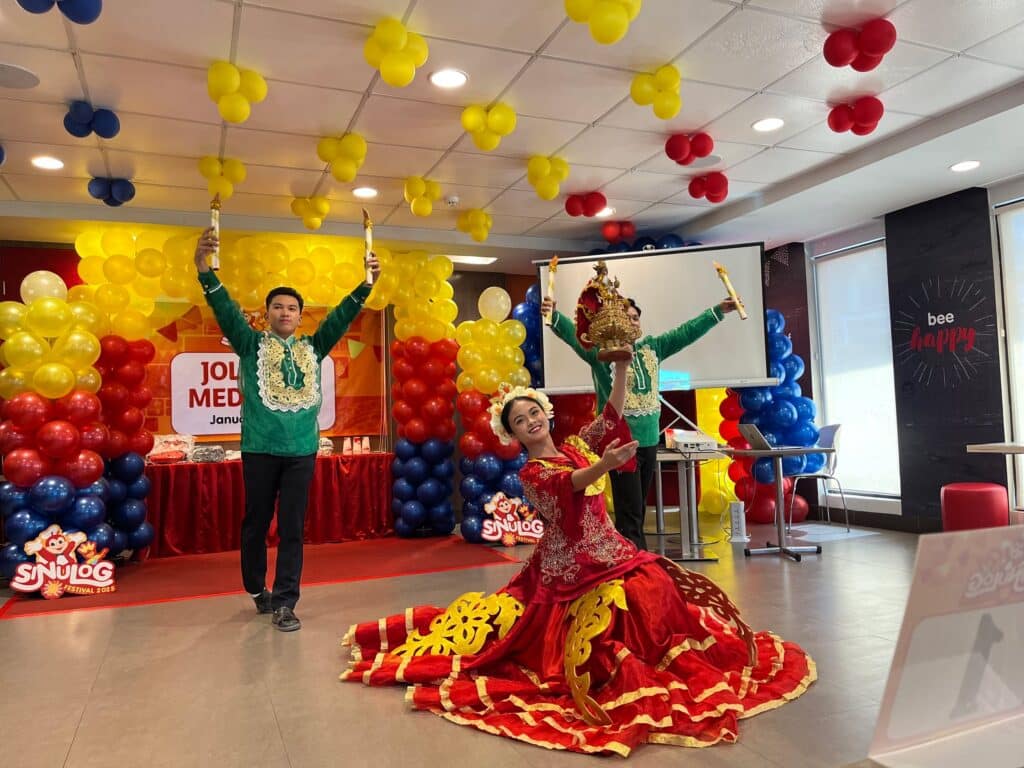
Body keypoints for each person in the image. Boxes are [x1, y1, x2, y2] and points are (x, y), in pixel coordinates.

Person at [340, 351, 815, 756]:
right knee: (613, 625)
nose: (531, 422)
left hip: (614, 551)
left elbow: (609, 416)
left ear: (545, 414)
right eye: (520, 421)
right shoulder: (532, 473)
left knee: (657, 590)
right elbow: (568, 487)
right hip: (574, 569)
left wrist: (624, 369)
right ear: (514, 436)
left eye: (534, 413)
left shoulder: (573, 444)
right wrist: (604, 466)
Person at [194, 227, 380, 632]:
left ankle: (285, 602)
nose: (284, 313)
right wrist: (203, 269)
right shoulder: (250, 343)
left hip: (301, 451)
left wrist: (366, 286)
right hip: (260, 448)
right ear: (267, 314)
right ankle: (256, 588)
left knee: (293, 528)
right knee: (256, 522)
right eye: (277, 307)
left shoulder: (313, 346)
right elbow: (225, 309)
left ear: (299, 316)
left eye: (291, 308)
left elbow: (340, 317)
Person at [542, 294, 738, 550]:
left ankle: (632, 560)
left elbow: (687, 332)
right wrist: (553, 315)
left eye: (635, 318)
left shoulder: (653, 348)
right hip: (619, 444)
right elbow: (571, 333)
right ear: (615, 323)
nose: (632, 323)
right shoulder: (600, 353)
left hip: (648, 441)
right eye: (627, 318)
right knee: (630, 513)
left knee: (636, 509)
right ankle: (637, 566)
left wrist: (718, 310)